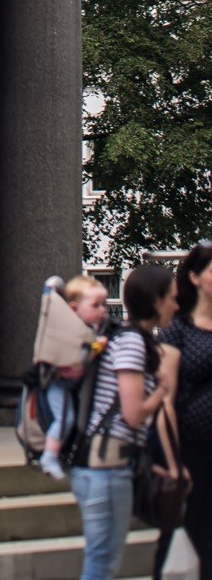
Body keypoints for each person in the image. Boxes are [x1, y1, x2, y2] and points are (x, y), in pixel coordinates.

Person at [69, 261, 177, 580]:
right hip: (106, 469)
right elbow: (133, 414)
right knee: (102, 562)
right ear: (155, 301)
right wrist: (161, 391)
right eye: (171, 296)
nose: (176, 304)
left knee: (102, 559)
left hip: (106, 465)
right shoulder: (131, 342)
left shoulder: (126, 339)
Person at [158, 242, 212, 576]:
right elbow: (165, 400)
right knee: (194, 531)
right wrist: (173, 459)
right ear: (195, 277)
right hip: (194, 450)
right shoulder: (178, 330)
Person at [38, 276, 113, 479]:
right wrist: (97, 347)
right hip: (59, 384)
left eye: (104, 304)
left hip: (72, 385)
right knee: (65, 419)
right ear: (73, 309)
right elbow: (76, 361)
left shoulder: (90, 329)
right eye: (95, 305)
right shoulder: (69, 332)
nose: (102, 310)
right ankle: (49, 456)